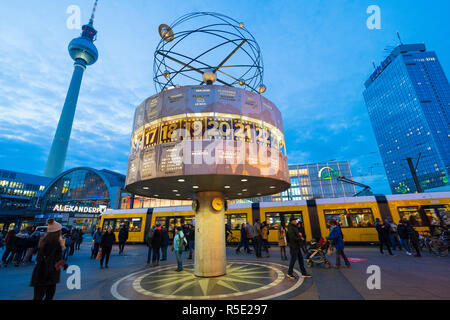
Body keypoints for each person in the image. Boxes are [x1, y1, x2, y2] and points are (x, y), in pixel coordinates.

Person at [30, 219, 67, 300]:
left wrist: (63, 264)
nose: (61, 232)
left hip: (40, 272)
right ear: (57, 232)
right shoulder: (55, 243)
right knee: (48, 296)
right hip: (48, 275)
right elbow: (53, 259)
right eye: (60, 230)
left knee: (37, 297)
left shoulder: (43, 240)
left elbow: (41, 257)